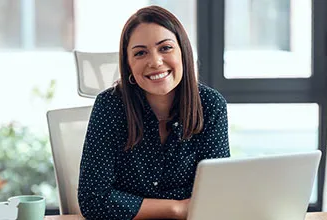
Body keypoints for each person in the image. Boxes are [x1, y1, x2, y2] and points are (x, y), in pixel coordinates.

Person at [78, 5, 230, 220]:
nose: (155, 62)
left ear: (183, 52)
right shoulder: (110, 106)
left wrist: (128, 203)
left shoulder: (210, 105)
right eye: (140, 53)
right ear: (128, 65)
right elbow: (93, 200)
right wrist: (176, 208)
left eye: (165, 48)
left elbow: (216, 194)